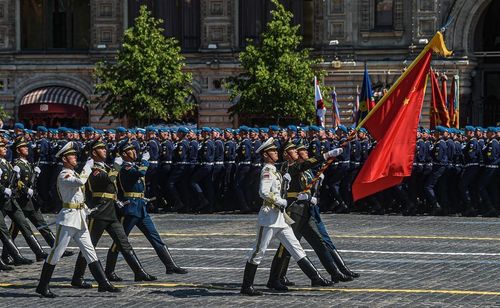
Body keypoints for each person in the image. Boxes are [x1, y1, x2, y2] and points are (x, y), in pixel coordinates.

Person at [240, 137, 332, 296]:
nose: (276, 153)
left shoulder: (275, 170)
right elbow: (263, 192)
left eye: (276, 150)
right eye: (272, 151)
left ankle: (315, 277)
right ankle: (246, 286)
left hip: (280, 218)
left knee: (295, 247)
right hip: (268, 218)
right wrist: (280, 200)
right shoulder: (267, 170)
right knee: (258, 251)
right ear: (265, 155)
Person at [36, 142, 120, 298]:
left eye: (75, 155)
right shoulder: (64, 174)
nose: (75, 158)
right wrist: (88, 167)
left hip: (79, 217)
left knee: (90, 251)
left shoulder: (73, 173)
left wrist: (86, 208)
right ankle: (42, 285)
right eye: (72, 156)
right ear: (64, 159)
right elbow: (81, 182)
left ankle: (103, 283)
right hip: (68, 219)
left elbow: (77, 195)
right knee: (56, 253)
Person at [71, 139, 156, 288]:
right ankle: (77, 277)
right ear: (93, 153)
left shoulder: (106, 166)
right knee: (88, 246)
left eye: (105, 148)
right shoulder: (93, 169)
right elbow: (107, 180)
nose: (105, 150)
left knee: (124, 243)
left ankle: (139, 271)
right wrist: (116, 165)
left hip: (111, 211)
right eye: (101, 149)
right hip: (98, 212)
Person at [104, 139, 187, 282]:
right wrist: (145, 161)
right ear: (124, 154)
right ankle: (109, 271)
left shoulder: (131, 166)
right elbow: (141, 173)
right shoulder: (125, 168)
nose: (134, 152)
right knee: (120, 241)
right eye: (131, 150)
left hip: (141, 208)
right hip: (130, 209)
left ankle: (170, 265)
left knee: (155, 237)